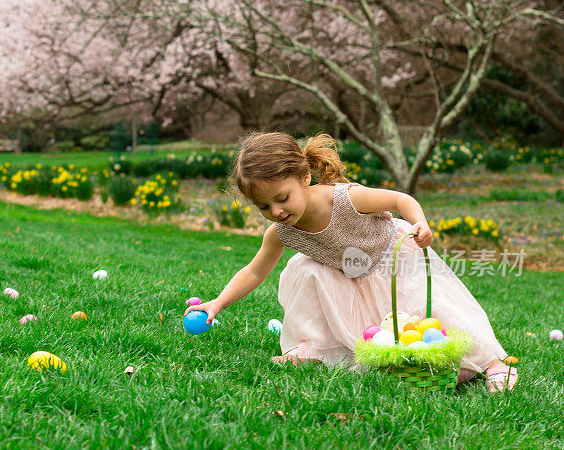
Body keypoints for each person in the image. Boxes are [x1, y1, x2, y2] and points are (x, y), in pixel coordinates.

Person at [184, 132, 517, 392]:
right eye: (264, 207)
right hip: (349, 275)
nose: (276, 212)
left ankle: (491, 362)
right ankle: (313, 349)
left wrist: (421, 223)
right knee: (306, 269)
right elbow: (255, 271)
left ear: (304, 178)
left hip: (393, 258)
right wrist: (217, 303)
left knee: (431, 311)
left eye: (282, 198)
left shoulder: (345, 199)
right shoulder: (281, 232)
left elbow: (400, 199)